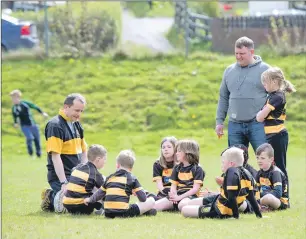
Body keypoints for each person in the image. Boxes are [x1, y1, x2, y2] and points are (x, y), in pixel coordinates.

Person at [215, 36, 270, 152]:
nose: (238, 57)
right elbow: (223, 97)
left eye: (242, 53)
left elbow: (275, 95)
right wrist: (219, 121)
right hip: (235, 125)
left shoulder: (265, 70)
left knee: (265, 159)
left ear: (252, 52)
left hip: (258, 124)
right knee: (235, 163)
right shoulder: (229, 71)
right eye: (236, 53)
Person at [181, 147, 262, 219]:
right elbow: (251, 197)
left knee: (184, 210)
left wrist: (235, 217)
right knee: (189, 203)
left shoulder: (231, 172)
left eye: (223, 162)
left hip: (220, 209)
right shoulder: (246, 173)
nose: (221, 165)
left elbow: (232, 198)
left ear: (231, 164)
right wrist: (259, 215)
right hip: (219, 199)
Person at [41, 93, 87, 212]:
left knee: (89, 198)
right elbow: (55, 157)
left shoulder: (76, 124)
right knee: (73, 207)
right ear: (66, 107)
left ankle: (60, 196)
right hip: (60, 177)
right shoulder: (55, 125)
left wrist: (86, 174)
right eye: (77, 110)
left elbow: (84, 151)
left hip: (75, 176)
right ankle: (50, 196)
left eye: (81, 111)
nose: (79, 114)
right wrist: (63, 182)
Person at [84, 150, 157, 218]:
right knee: (151, 200)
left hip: (108, 214)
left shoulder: (109, 177)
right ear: (131, 168)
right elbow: (143, 199)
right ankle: (146, 211)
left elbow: (99, 194)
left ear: (117, 165)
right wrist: (138, 193)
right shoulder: (132, 178)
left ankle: (147, 212)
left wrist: (90, 199)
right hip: (123, 213)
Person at [256, 67, 296, 180]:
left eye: (265, 81)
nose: (263, 84)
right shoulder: (272, 96)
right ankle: (275, 192)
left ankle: (284, 196)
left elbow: (260, 117)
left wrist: (260, 114)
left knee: (280, 167)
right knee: (272, 166)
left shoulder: (277, 96)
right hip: (271, 136)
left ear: (273, 81)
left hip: (277, 135)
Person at [154, 139, 205, 212]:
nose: (176, 153)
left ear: (188, 152)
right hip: (178, 195)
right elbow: (173, 186)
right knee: (155, 206)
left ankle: (200, 205)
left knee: (182, 205)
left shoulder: (198, 169)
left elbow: (195, 189)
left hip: (190, 196)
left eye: (179, 151)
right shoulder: (177, 168)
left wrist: (179, 197)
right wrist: (173, 196)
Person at [63, 144, 107, 215]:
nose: (105, 162)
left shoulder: (78, 167)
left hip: (67, 204)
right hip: (82, 206)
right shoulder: (94, 173)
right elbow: (105, 189)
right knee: (103, 186)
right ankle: (105, 209)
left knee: (88, 185)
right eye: (104, 159)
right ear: (98, 159)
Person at [10, 89, 48, 158]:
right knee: (30, 138)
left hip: (33, 124)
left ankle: (38, 154)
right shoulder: (14, 108)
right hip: (24, 126)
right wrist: (15, 123)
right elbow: (14, 116)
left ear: (19, 97)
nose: (13, 100)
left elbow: (35, 107)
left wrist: (42, 113)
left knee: (37, 139)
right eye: (12, 99)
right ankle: (30, 153)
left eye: (14, 98)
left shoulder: (25, 103)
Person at [255, 143, 289, 210]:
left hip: (279, 201)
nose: (259, 161)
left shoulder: (275, 173)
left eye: (262, 158)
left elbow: (278, 193)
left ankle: (256, 206)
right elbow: (256, 190)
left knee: (268, 198)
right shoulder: (259, 173)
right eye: (257, 158)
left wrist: (260, 195)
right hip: (265, 197)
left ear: (271, 159)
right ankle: (261, 206)